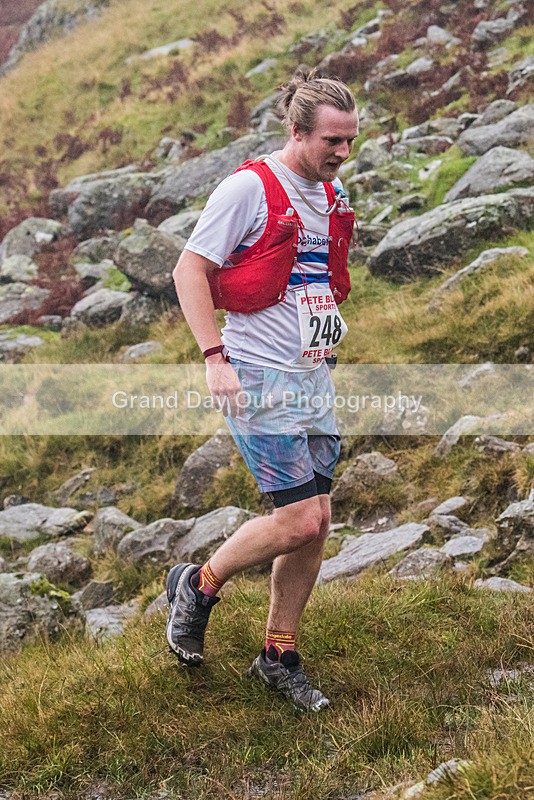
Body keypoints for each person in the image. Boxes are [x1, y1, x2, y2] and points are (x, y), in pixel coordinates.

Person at [166, 69, 359, 712]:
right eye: (331, 140)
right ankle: (198, 584)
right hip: (256, 375)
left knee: (319, 522)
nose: (341, 153)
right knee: (297, 519)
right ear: (297, 130)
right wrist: (214, 358)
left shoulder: (331, 194)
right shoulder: (250, 187)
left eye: (350, 141)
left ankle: (278, 654)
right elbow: (189, 269)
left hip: (312, 377)